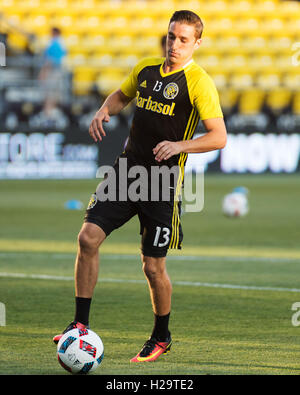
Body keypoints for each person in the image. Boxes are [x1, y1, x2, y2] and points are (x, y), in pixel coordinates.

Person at [53, 10, 227, 363]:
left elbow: (219, 136)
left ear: (197, 43)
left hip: (161, 183)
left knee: (152, 267)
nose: (174, 44)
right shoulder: (146, 69)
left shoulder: (198, 82)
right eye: (170, 36)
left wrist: (180, 146)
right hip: (126, 173)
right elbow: (121, 95)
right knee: (87, 238)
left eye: (182, 39)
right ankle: (79, 327)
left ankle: (161, 336)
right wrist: (105, 109)